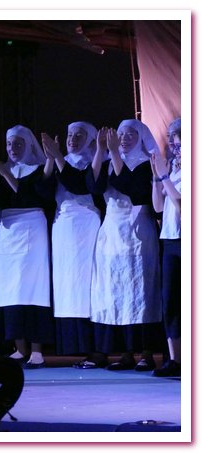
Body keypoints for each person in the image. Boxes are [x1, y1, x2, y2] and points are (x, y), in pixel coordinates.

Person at [87, 120, 162, 371]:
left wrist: (115, 154)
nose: (125, 138)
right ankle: (126, 352)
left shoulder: (147, 163)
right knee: (116, 291)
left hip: (138, 229)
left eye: (131, 134)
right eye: (121, 134)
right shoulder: (108, 161)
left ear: (141, 137)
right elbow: (94, 186)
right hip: (111, 231)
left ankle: (146, 353)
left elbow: (132, 188)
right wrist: (101, 150)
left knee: (141, 290)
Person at [0, 125, 56, 369]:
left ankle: (36, 351)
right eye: (8, 144)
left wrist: (1, 170)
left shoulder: (37, 170)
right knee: (10, 289)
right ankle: (19, 348)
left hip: (31, 228)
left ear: (28, 145)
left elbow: (25, 193)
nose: (12, 148)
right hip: (7, 231)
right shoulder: (3, 169)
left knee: (33, 289)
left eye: (17, 144)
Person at [41, 122, 106, 369]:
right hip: (62, 227)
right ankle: (75, 347)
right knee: (67, 287)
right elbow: (44, 192)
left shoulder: (95, 161)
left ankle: (95, 349)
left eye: (79, 135)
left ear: (90, 140)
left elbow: (80, 185)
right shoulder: (63, 161)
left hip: (86, 224)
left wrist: (58, 158)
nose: (72, 139)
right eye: (70, 134)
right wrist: (52, 159)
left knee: (86, 286)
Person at [150, 118, 181, 377]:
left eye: (178, 141)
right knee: (170, 301)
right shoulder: (173, 168)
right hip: (169, 239)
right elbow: (159, 207)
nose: (173, 145)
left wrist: (163, 176)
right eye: (172, 141)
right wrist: (156, 178)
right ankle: (175, 359)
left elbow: (182, 205)